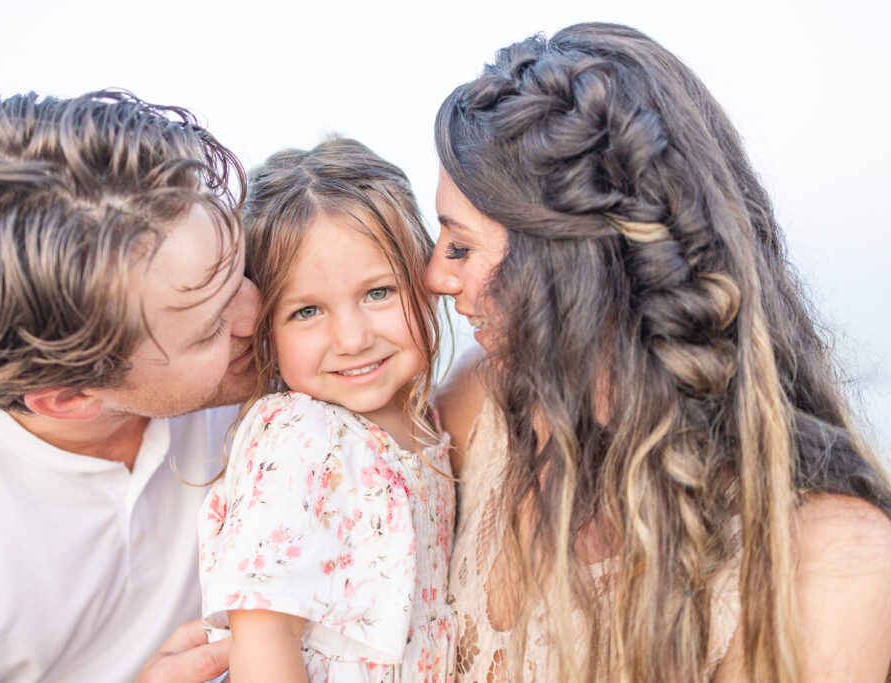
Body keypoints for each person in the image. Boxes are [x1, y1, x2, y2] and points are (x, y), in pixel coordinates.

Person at [425, 24, 891, 682]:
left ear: (570, 268)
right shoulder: (485, 408)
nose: (434, 278)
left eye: (461, 247)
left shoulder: (832, 563)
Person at [0, 90, 258, 682]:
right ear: (71, 398)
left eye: (239, 267)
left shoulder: (248, 339)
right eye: (208, 332)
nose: (258, 312)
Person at [197, 138, 456, 681]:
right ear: (265, 327)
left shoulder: (427, 422)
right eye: (307, 310)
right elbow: (264, 639)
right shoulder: (298, 434)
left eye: (379, 293)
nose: (353, 337)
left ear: (424, 281)